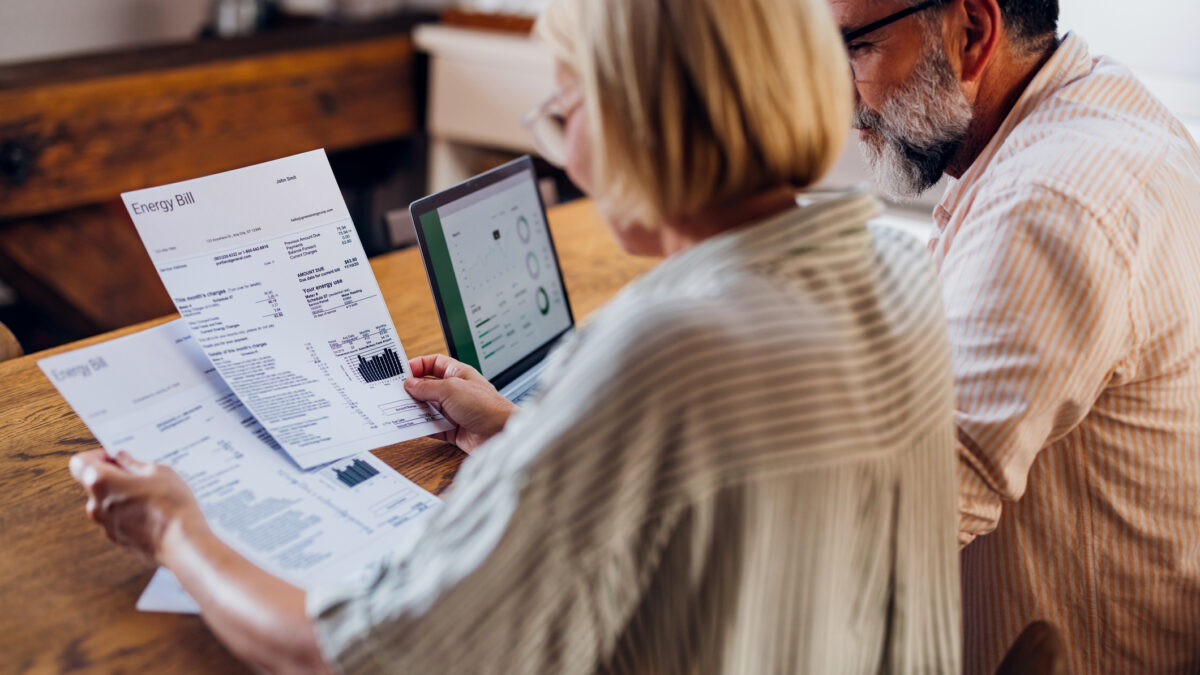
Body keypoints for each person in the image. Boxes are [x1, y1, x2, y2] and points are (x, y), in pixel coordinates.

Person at [68, 0, 962, 671]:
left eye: (567, 106)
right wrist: (522, 431)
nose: (566, 150)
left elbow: (361, 652)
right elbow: (720, 496)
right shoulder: (895, 268)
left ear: (637, 115)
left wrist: (174, 529)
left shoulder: (662, 350)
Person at [828, 0, 1200, 672]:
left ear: (972, 33)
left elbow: (891, 520)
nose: (838, 91)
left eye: (856, 47)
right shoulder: (1088, 103)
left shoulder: (1049, 202)